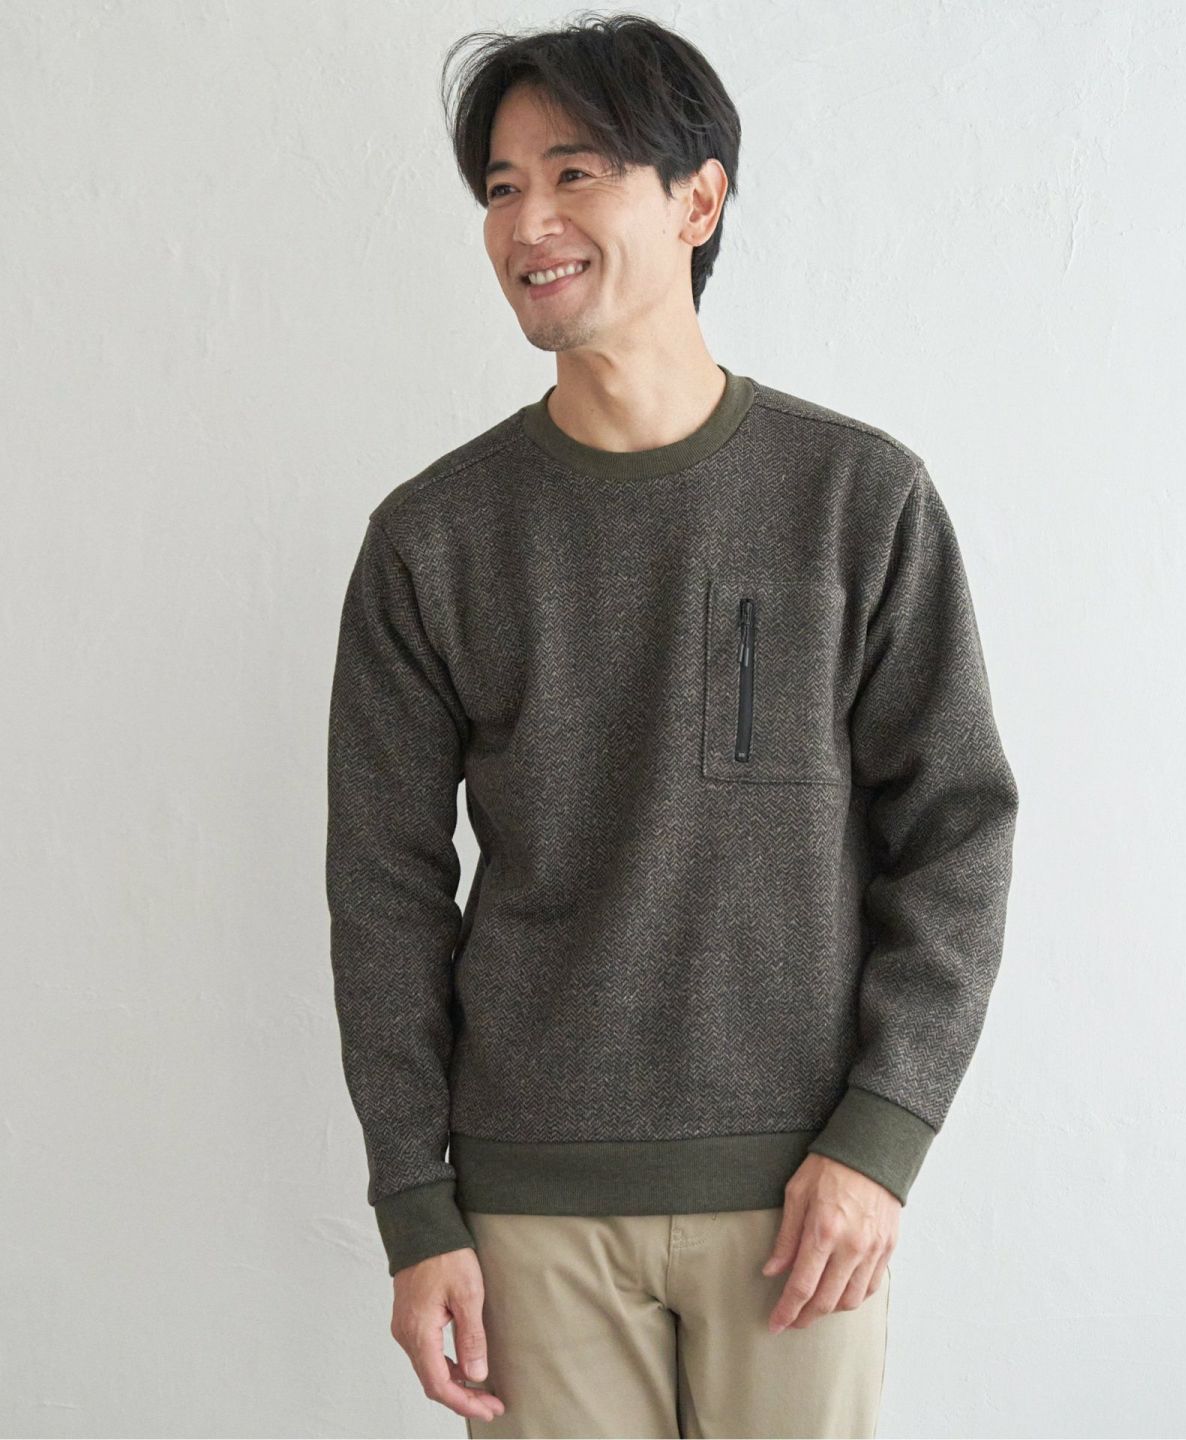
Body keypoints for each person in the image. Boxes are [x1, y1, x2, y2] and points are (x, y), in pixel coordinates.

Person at [325, 14, 1019, 1439]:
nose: (529, 220)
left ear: (698, 201)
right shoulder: (432, 538)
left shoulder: (858, 498)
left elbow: (957, 828)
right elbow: (382, 887)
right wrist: (415, 1203)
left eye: (574, 173)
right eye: (503, 187)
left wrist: (882, 1137)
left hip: (803, 1204)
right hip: (526, 1203)